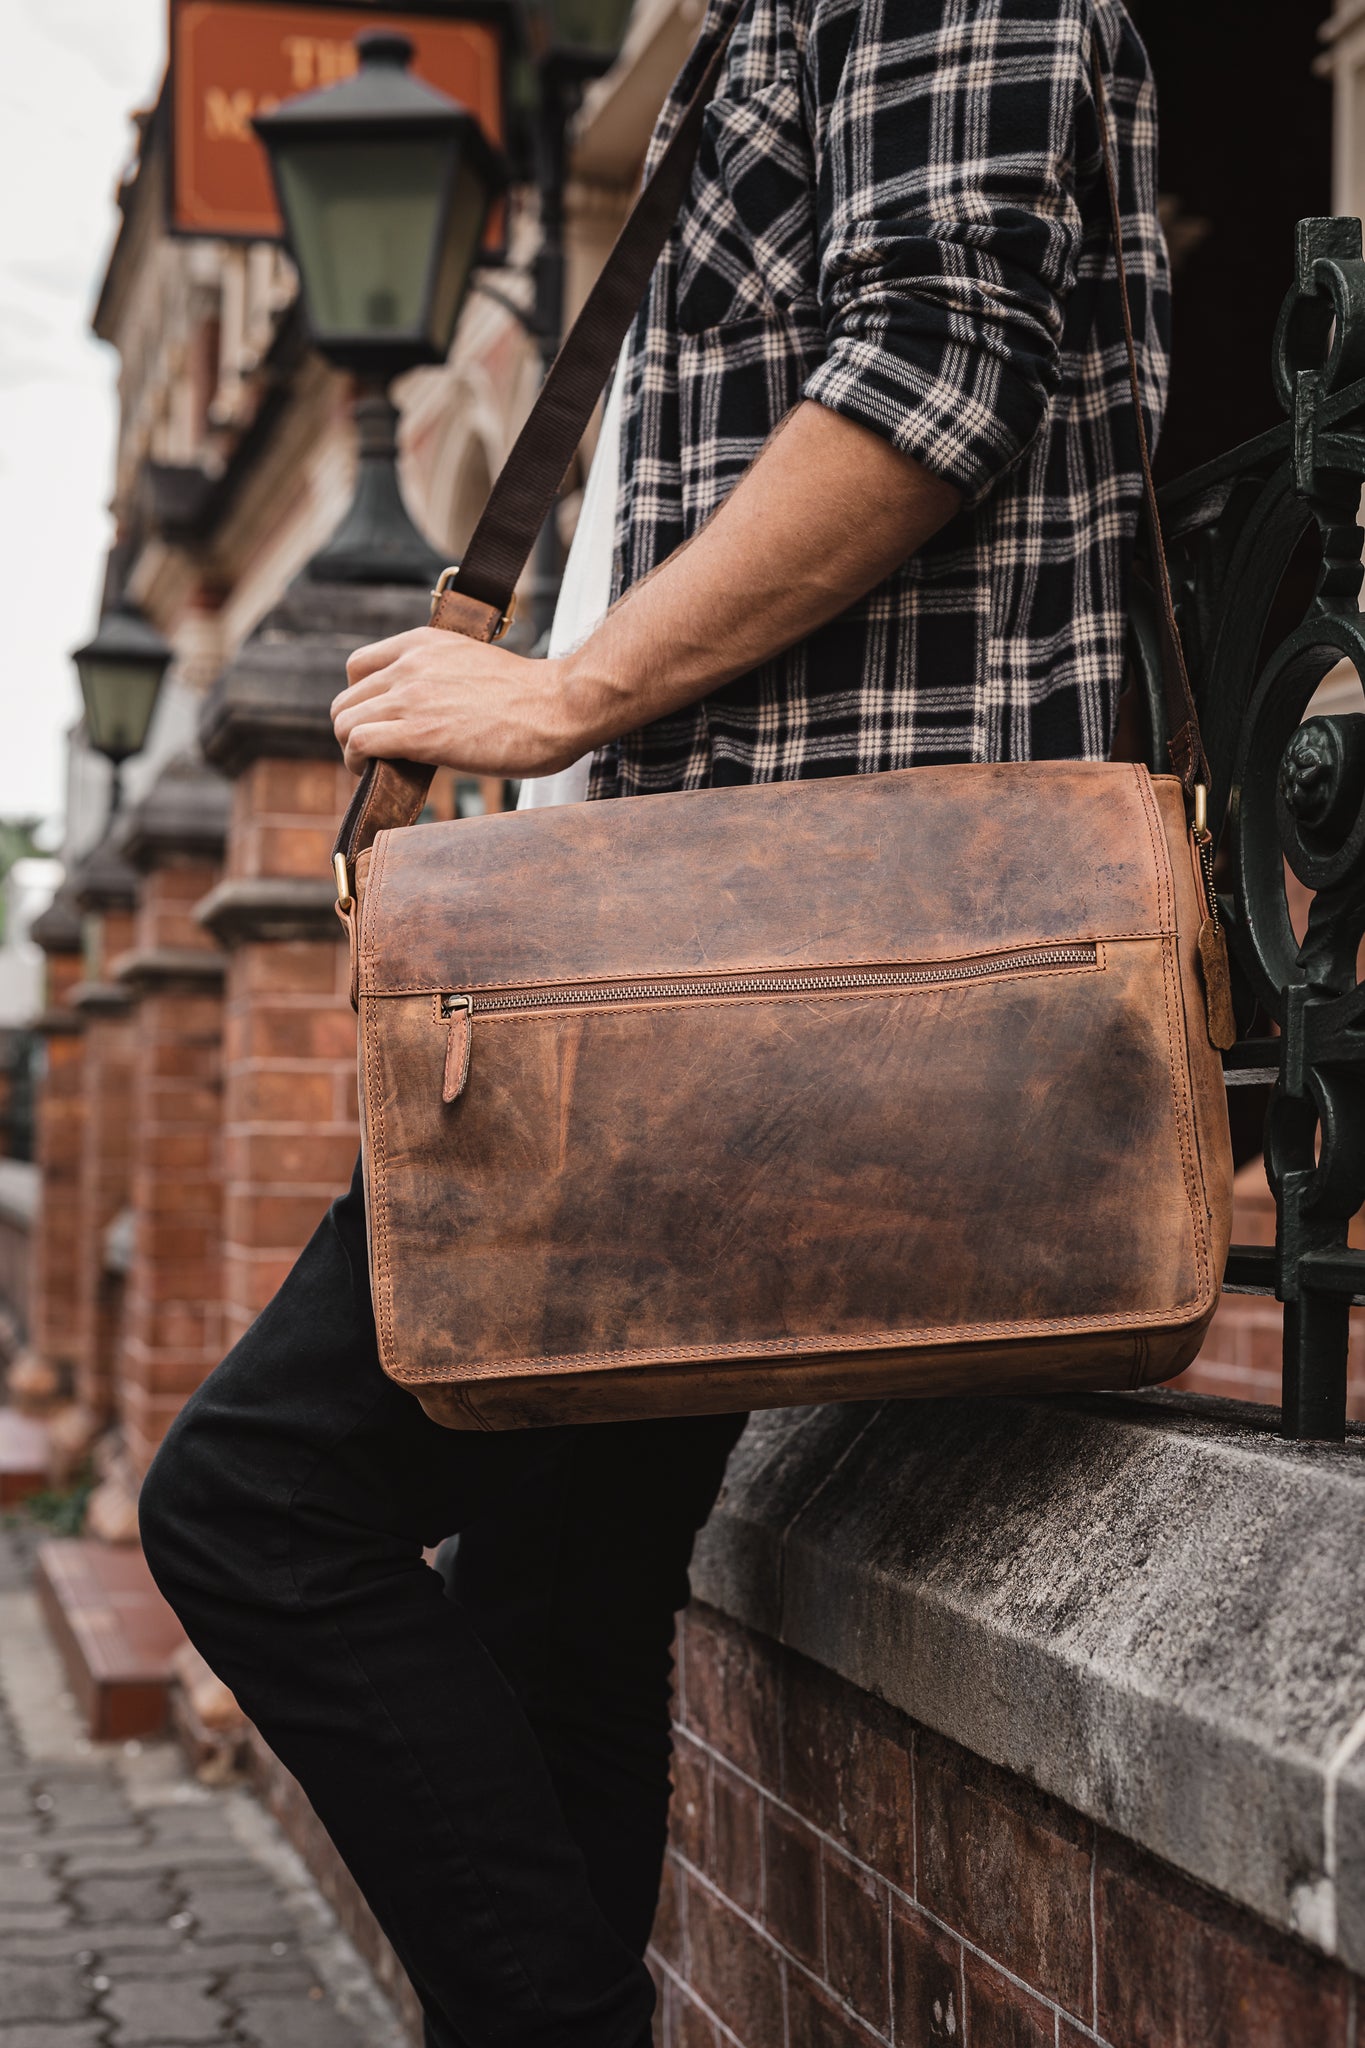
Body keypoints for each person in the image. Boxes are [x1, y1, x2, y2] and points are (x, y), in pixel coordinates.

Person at [139, 1, 1169, 2041]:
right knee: (544, 1607)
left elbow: (939, 364)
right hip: (700, 955)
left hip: (791, 963)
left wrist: (562, 691)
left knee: (254, 1502)